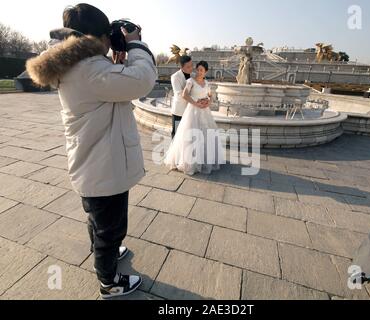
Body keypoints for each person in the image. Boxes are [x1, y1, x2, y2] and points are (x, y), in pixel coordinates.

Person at [26, 3, 157, 299]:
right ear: (95, 36)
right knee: (111, 228)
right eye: (107, 35)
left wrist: (114, 59)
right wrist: (136, 45)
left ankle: (101, 250)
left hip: (92, 163)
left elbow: (109, 86)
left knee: (97, 220)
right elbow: (142, 81)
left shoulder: (75, 64)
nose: (111, 40)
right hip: (104, 165)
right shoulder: (88, 69)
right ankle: (109, 280)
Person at [164, 61, 225, 175]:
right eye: (198, 69)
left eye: (202, 70)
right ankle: (189, 162)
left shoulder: (207, 83)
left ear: (206, 71)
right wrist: (195, 103)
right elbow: (184, 94)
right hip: (193, 111)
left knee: (206, 134)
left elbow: (211, 96)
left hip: (205, 111)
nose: (199, 71)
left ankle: (203, 160)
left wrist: (208, 102)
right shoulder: (190, 81)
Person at [170, 55, 193, 138]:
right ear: (181, 67)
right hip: (179, 111)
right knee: (176, 134)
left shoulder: (193, 75)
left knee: (187, 136)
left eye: (192, 65)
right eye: (188, 67)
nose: (191, 68)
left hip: (190, 111)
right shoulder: (175, 77)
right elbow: (179, 94)